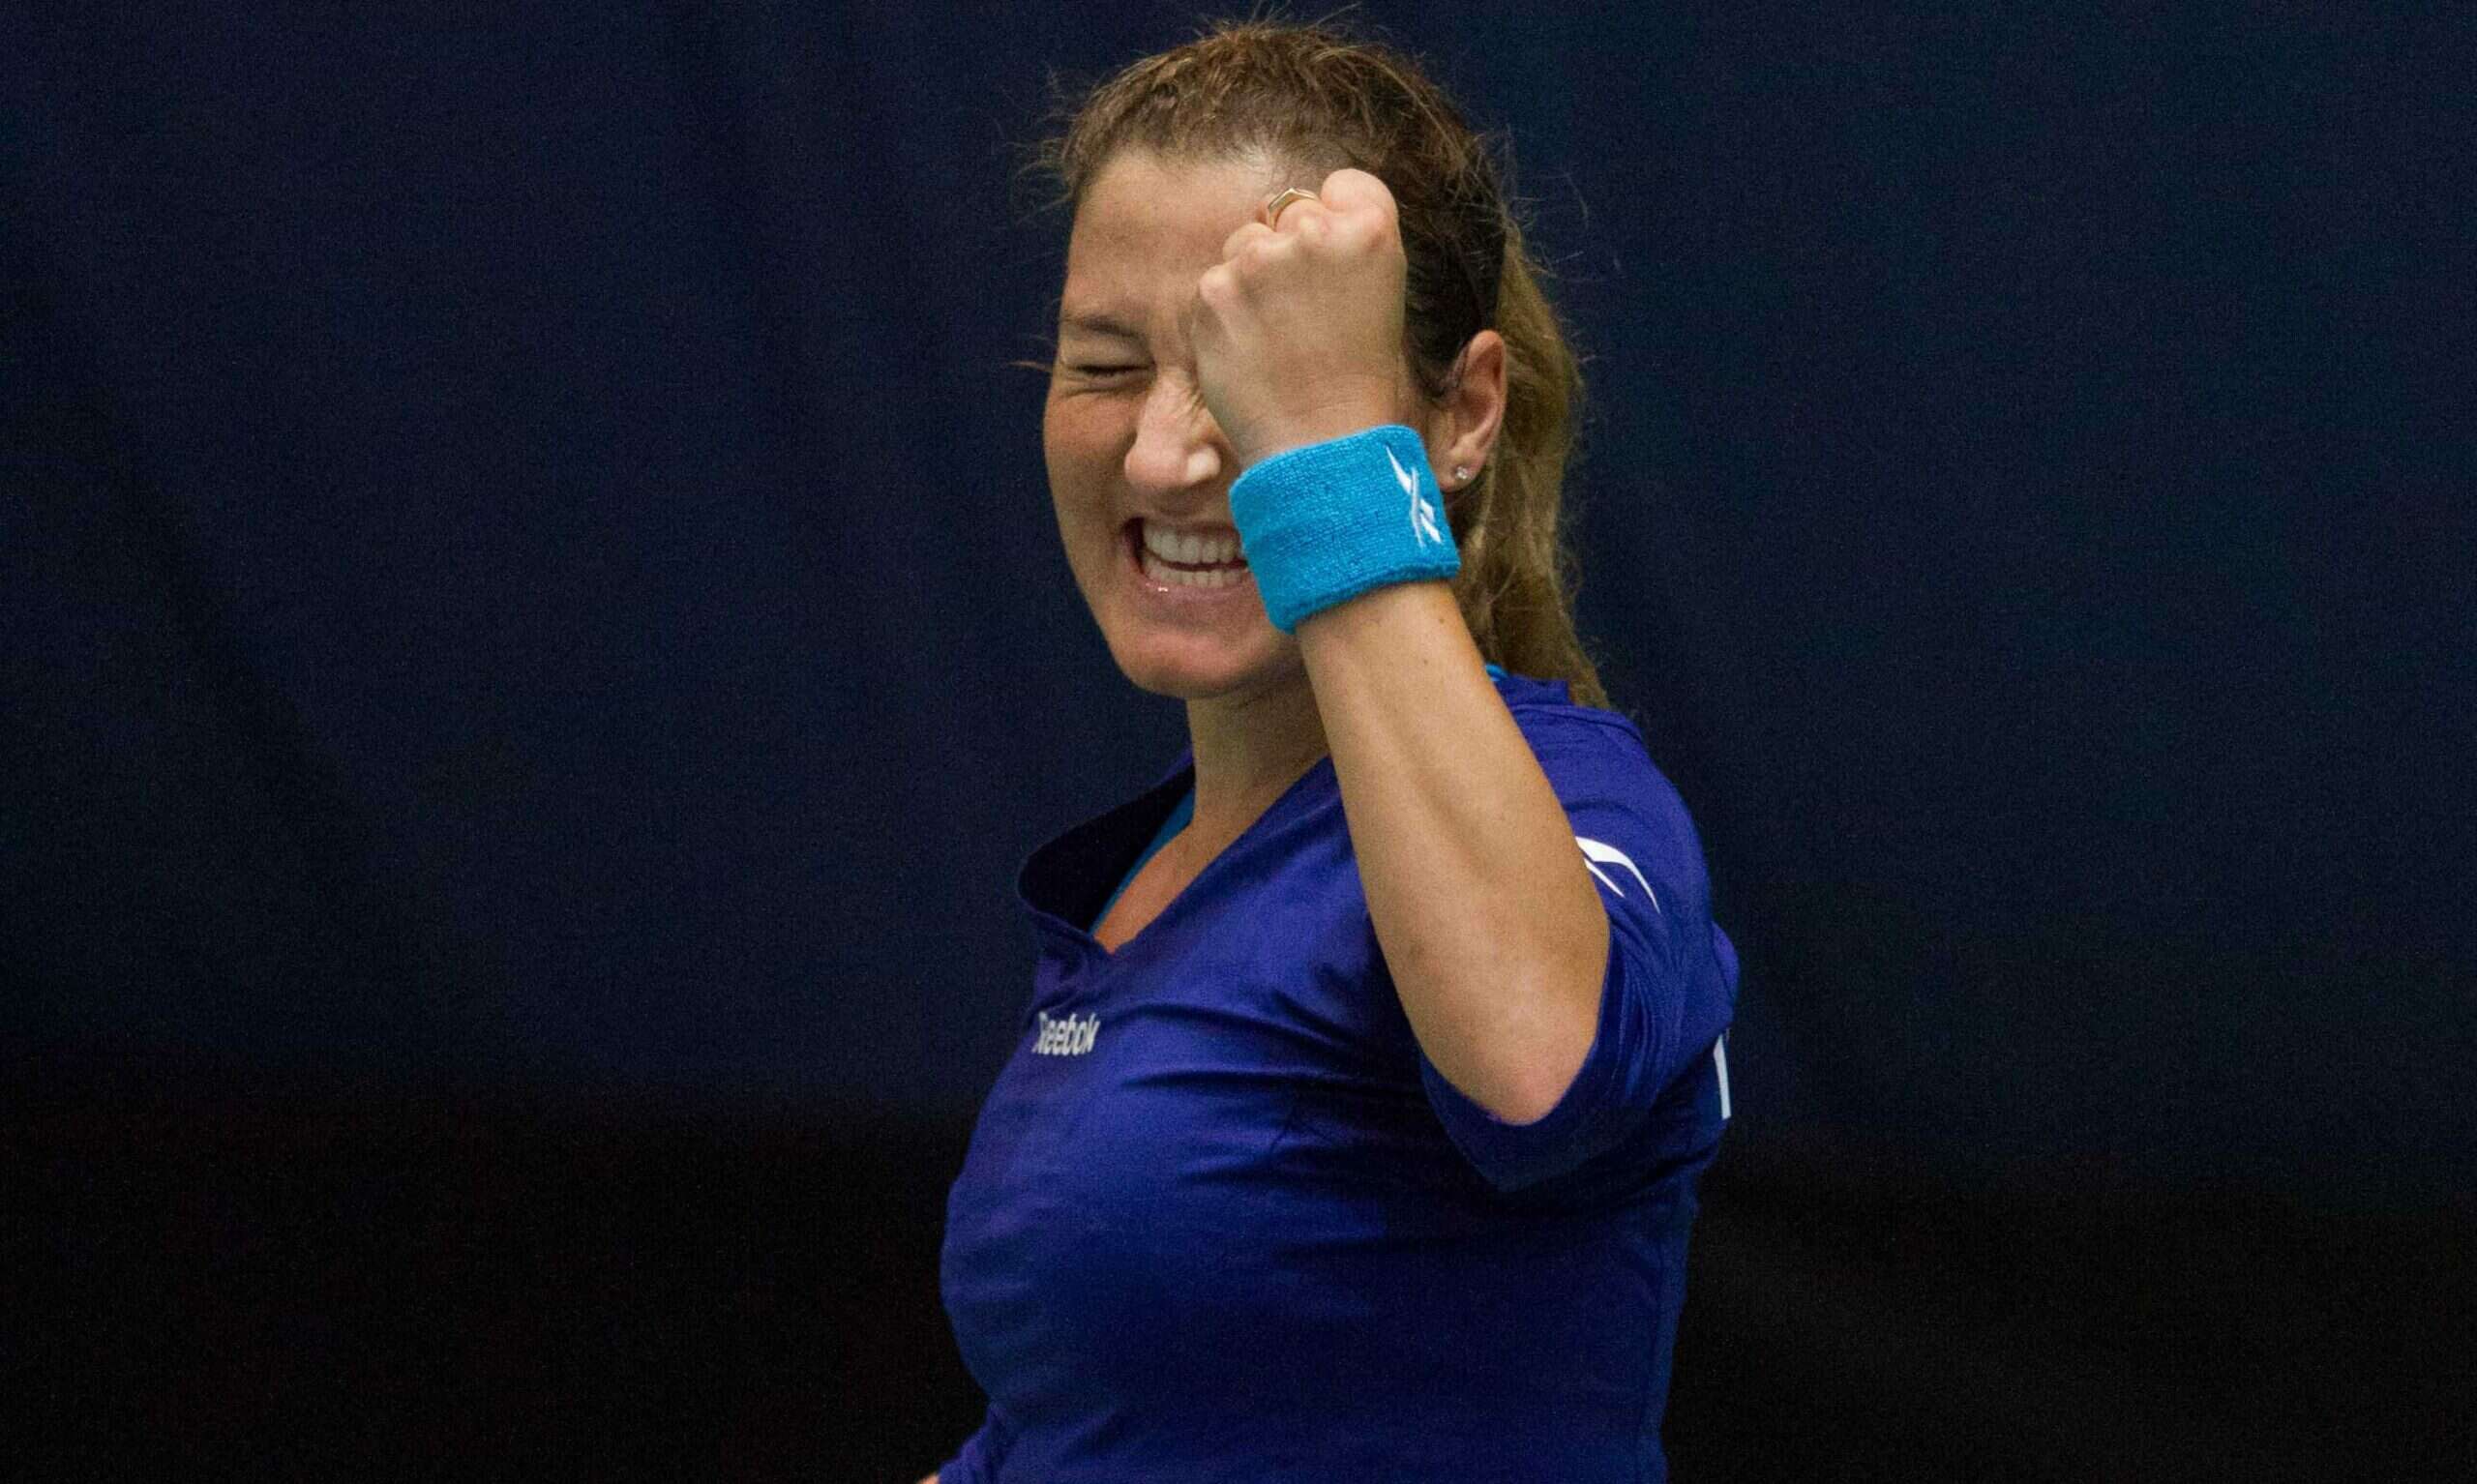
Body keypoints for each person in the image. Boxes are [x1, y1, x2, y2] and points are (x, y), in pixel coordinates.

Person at [922, 18, 1738, 1482]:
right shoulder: (1149, 876)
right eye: (1107, 366)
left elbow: (1541, 1073)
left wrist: (1327, 471)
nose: (1164, 455)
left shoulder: (1581, 798)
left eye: (1250, 382)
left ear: (1463, 413)